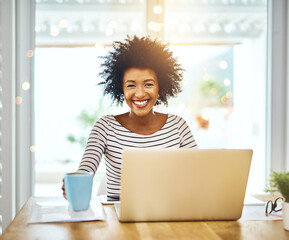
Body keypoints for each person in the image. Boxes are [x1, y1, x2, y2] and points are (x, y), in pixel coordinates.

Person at [62, 36, 198, 200]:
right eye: (131, 85)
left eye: (148, 84)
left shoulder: (178, 126)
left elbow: (197, 173)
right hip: (117, 219)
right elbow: (86, 169)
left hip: (168, 214)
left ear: (160, 86)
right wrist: (76, 181)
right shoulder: (105, 127)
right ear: (120, 88)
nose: (140, 93)